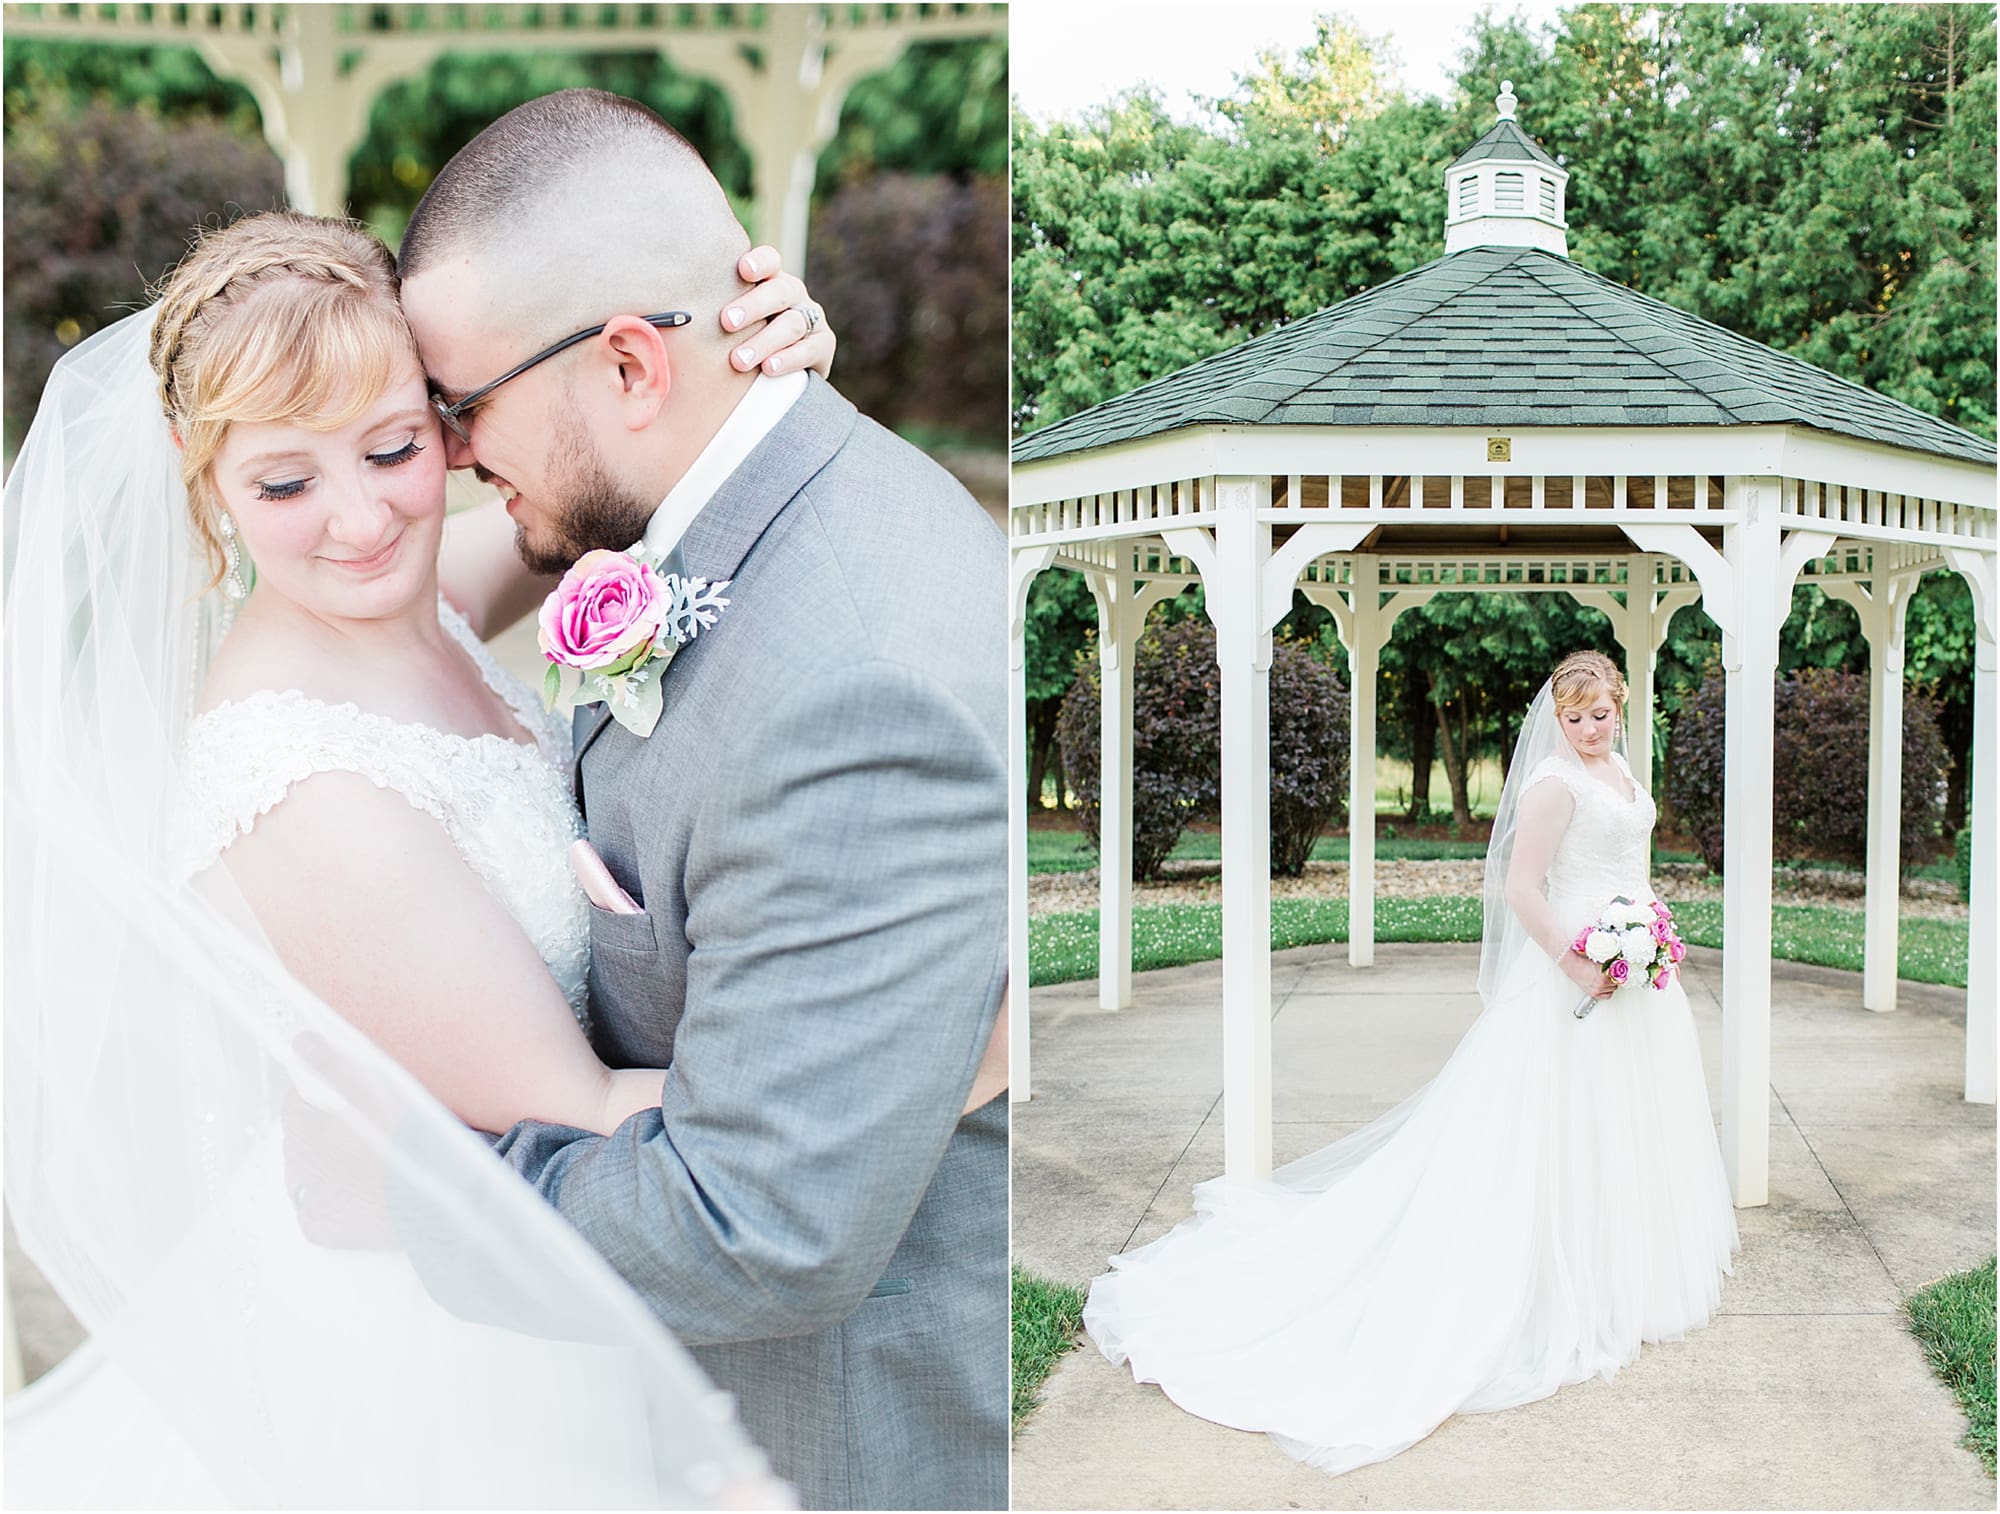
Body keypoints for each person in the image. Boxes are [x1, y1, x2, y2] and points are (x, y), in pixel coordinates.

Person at [0, 195, 875, 1509]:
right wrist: (896, 1053)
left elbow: (584, 505)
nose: (359, 520)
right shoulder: (302, 780)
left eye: (394, 447)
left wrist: (757, 367)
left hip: (505, 1280)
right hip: (437, 1334)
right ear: (202, 473)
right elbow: (578, 1110)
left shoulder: (421, 599)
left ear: (447, 421)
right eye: (284, 481)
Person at [393, 89, 1008, 1512]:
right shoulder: (726, 505)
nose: (451, 455)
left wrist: (419, 1195)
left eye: (460, 405)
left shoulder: (851, 688)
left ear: (628, 365)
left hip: (836, 1442)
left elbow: (760, 1220)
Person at [1082, 650, 1740, 1475]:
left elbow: (1627, 866)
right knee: (1558, 1122)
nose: (1585, 730)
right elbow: (1522, 887)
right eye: (1571, 718)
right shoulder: (1552, 785)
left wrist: (1650, 936)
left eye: (1598, 714)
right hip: (1575, 966)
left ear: (1620, 704)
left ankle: (1627, 1270)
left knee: (1631, 1120)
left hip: (1635, 971)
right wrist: (1579, 961)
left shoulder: (1624, 775)